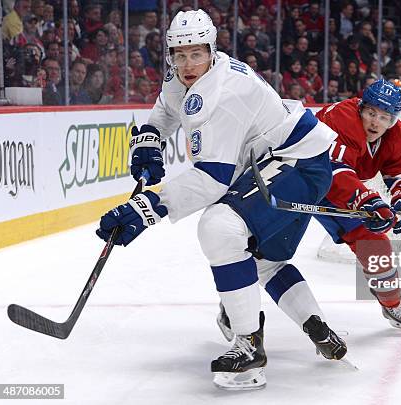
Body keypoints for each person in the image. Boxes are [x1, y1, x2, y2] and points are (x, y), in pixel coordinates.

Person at [95, 9, 347, 391]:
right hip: (285, 159)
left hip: (296, 163)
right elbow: (168, 106)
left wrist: (147, 207)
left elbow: (213, 180)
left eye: (195, 53)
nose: (187, 63)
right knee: (261, 261)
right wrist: (150, 137)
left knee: (220, 226)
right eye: (179, 54)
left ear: (212, 49)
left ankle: (248, 346)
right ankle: (317, 328)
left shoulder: (222, 95)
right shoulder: (188, 72)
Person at [313, 78, 401, 331]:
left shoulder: (396, 136)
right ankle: (235, 307)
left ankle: (392, 305)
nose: (376, 122)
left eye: (385, 117)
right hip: (298, 180)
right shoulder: (342, 117)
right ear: (361, 108)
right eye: (371, 113)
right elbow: (333, 170)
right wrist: (369, 201)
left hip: (339, 193)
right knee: (265, 249)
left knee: (375, 245)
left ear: (393, 121)